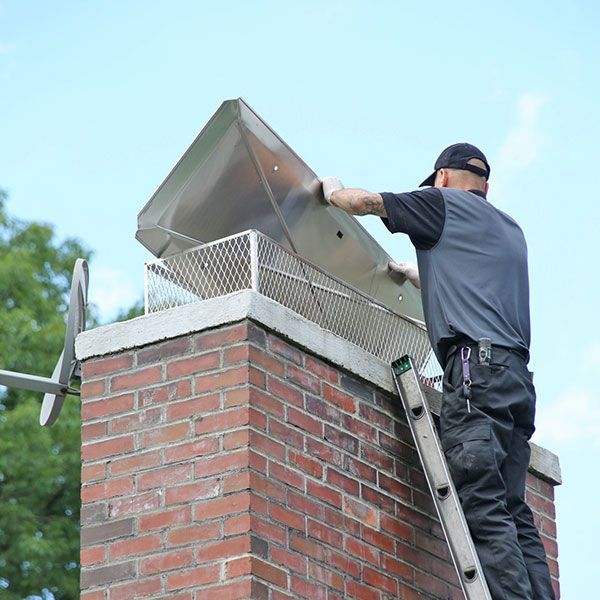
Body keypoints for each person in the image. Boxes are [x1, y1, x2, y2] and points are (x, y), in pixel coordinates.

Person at [322, 143, 555, 600]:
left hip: (475, 374)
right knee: (514, 509)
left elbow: (367, 203)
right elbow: (477, 282)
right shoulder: (511, 231)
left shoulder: (439, 203)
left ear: (443, 178)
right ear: (485, 186)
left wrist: (333, 192)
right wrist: (420, 275)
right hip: (515, 380)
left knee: (484, 507)